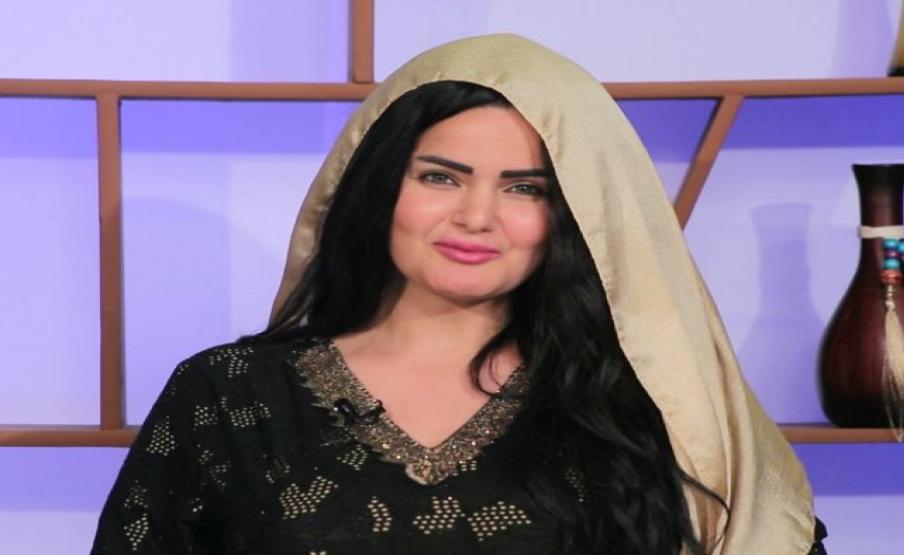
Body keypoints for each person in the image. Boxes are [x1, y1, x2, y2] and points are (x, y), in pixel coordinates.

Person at [92, 34, 826, 554]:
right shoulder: (229, 395)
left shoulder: (644, 405)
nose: (476, 217)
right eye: (440, 177)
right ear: (380, 187)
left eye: (524, 188)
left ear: (577, 215)